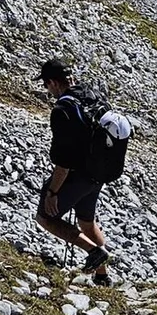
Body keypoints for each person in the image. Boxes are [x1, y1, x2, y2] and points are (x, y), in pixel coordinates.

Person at [35, 55, 125, 284]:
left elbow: (64, 162)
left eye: (46, 85)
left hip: (78, 175)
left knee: (46, 218)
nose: (47, 90)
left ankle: (94, 252)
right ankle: (102, 276)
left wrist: (53, 192)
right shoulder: (92, 94)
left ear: (54, 82)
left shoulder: (63, 109)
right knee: (87, 221)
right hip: (99, 172)